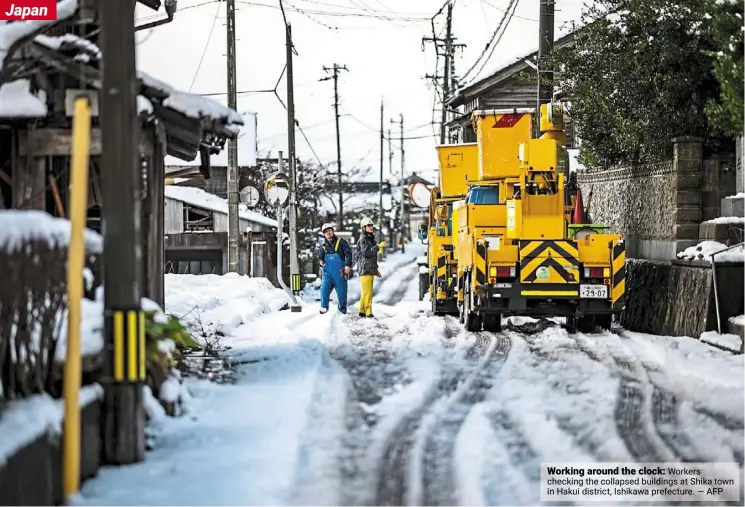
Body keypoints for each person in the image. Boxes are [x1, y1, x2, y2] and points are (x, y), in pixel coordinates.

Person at [318, 223, 353, 314]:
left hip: (340, 273)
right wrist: (321, 262)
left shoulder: (342, 242)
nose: (328, 232)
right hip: (328, 274)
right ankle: (324, 307)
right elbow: (320, 258)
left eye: (329, 230)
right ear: (324, 234)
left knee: (342, 293)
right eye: (326, 232)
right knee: (324, 290)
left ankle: (342, 310)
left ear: (333, 231)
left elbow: (348, 254)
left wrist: (348, 265)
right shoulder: (323, 246)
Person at [356, 217, 386, 318]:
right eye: (368, 226)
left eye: (371, 225)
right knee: (368, 291)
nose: (371, 227)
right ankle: (368, 311)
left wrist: (375, 269)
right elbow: (367, 253)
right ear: (363, 228)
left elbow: (372, 257)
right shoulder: (363, 239)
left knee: (366, 291)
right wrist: (378, 246)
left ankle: (362, 310)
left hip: (369, 268)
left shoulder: (369, 238)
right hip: (364, 269)